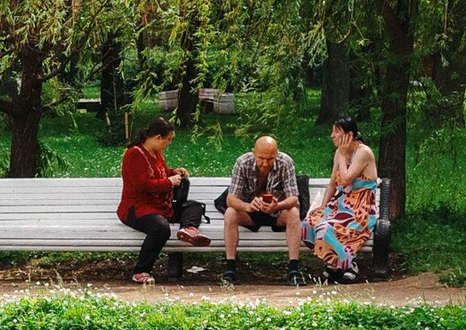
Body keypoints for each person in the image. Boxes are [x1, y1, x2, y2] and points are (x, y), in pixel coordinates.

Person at [118, 116, 208, 284]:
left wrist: (174, 172)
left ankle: (189, 230)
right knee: (161, 228)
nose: (169, 143)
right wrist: (169, 182)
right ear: (158, 138)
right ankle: (141, 270)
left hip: (159, 206)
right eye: (168, 139)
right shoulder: (134, 154)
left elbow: (159, 171)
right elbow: (141, 185)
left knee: (194, 206)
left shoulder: (156, 152)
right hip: (137, 208)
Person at [306, 116, 381, 283]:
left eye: (336, 132)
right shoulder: (340, 152)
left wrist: (341, 155)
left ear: (349, 134)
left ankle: (349, 265)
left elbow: (346, 179)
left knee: (327, 227)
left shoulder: (363, 152)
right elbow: (333, 183)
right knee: (310, 222)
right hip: (340, 206)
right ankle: (335, 264)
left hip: (360, 209)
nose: (332, 135)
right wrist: (323, 206)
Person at [221, 134, 303, 284]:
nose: (265, 163)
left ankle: (294, 269)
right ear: (253, 153)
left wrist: (277, 205)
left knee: (293, 212)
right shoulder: (242, 163)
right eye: (261, 158)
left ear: (277, 154)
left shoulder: (286, 162)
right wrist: (248, 206)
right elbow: (231, 199)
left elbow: (294, 198)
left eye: (270, 159)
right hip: (250, 212)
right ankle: (230, 269)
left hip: (277, 212)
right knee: (230, 213)